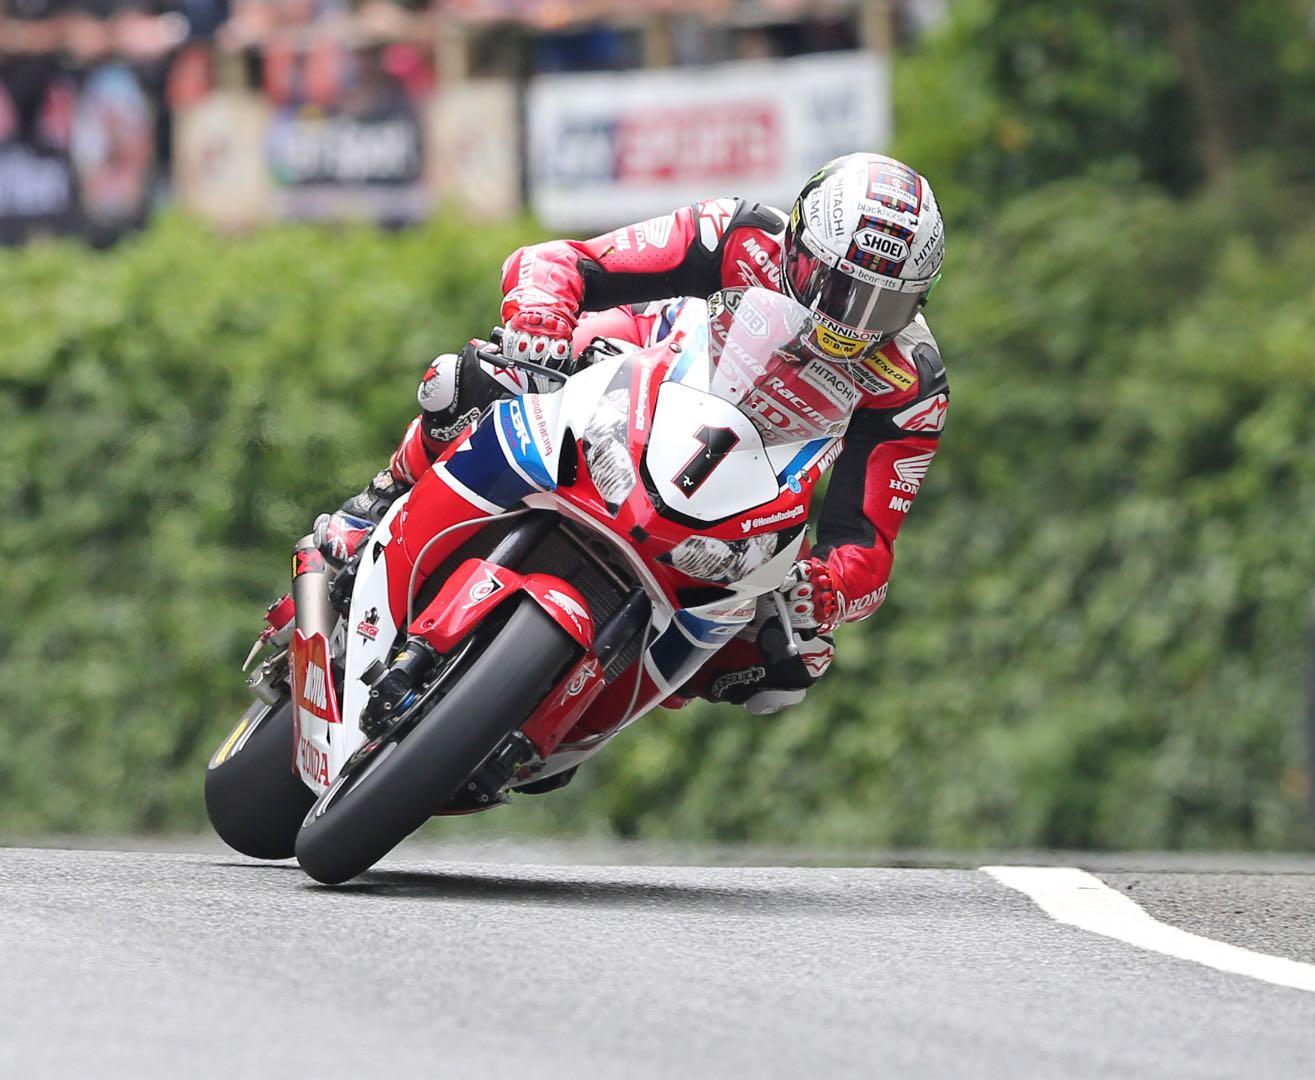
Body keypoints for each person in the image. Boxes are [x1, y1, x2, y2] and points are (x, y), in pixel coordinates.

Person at [319, 152, 949, 715]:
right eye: (840, 289)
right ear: (799, 249)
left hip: (749, 494)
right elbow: (566, 261)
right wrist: (541, 313)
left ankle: (593, 703)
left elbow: (865, 540)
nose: (854, 324)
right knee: (476, 377)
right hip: (640, 369)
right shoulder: (738, 234)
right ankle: (378, 498)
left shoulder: (912, 383)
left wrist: (830, 590)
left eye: (882, 306)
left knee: (793, 658)